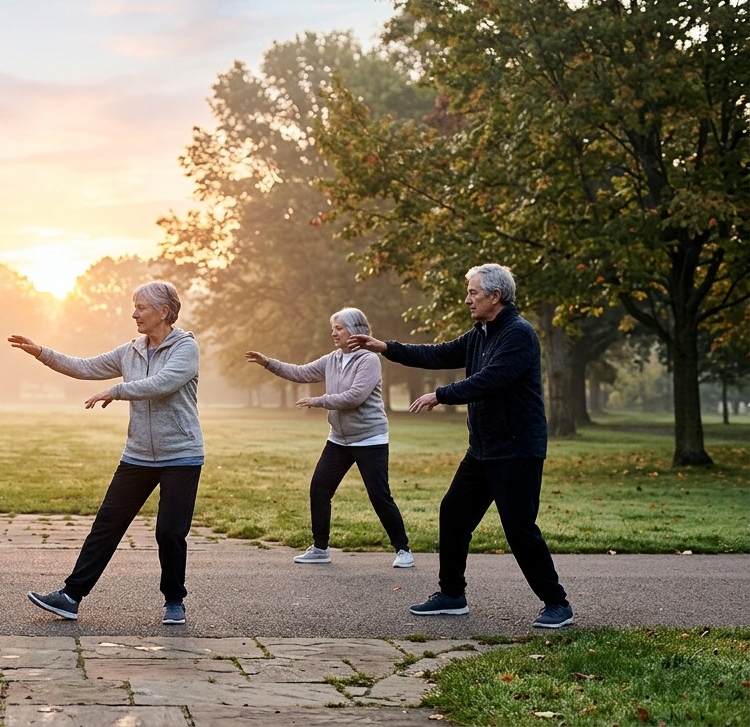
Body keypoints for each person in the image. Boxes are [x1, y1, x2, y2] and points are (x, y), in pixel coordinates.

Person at [345, 263, 574, 629]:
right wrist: (385, 347)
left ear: (495, 297)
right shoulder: (480, 334)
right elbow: (437, 354)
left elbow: (489, 381)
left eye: (473, 293)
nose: (467, 299)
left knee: (519, 528)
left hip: (517, 449)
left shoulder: (518, 334)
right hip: (483, 449)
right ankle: (452, 594)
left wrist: (441, 394)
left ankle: (557, 603)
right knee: (453, 513)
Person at [10, 280, 203, 626]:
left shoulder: (185, 349)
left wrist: (117, 390)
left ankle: (174, 600)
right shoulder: (130, 351)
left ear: (163, 311)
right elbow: (85, 367)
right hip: (138, 455)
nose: (134, 313)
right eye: (134, 306)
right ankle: (70, 597)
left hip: (181, 455)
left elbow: (164, 384)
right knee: (106, 526)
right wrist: (42, 352)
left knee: (170, 533)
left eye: (141, 307)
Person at [246, 307, 413, 569]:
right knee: (319, 489)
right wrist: (269, 363)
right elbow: (301, 373)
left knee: (379, 495)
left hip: (369, 438)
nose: (333, 333)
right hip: (339, 439)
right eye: (333, 328)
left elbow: (355, 396)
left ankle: (403, 549)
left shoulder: (368, 360)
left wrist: (319, 401)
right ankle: (320, 548)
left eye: (339, 328)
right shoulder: (333, 359)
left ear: (355, 330)